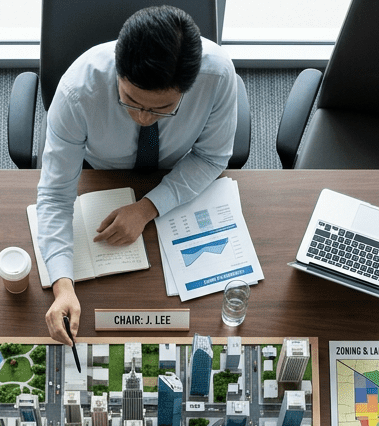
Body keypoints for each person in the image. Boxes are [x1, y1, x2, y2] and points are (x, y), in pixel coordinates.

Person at [36, 4, 237, 344]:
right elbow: (55, 196)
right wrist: (62, 285)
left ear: (186, 90)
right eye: (130, 100)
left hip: (172, 174)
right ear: (118, 70)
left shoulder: (216, 77)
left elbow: (211, 157)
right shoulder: (77, 90)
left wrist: (146, 208)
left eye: (162, 109)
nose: (143, 117)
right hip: (99, 174)